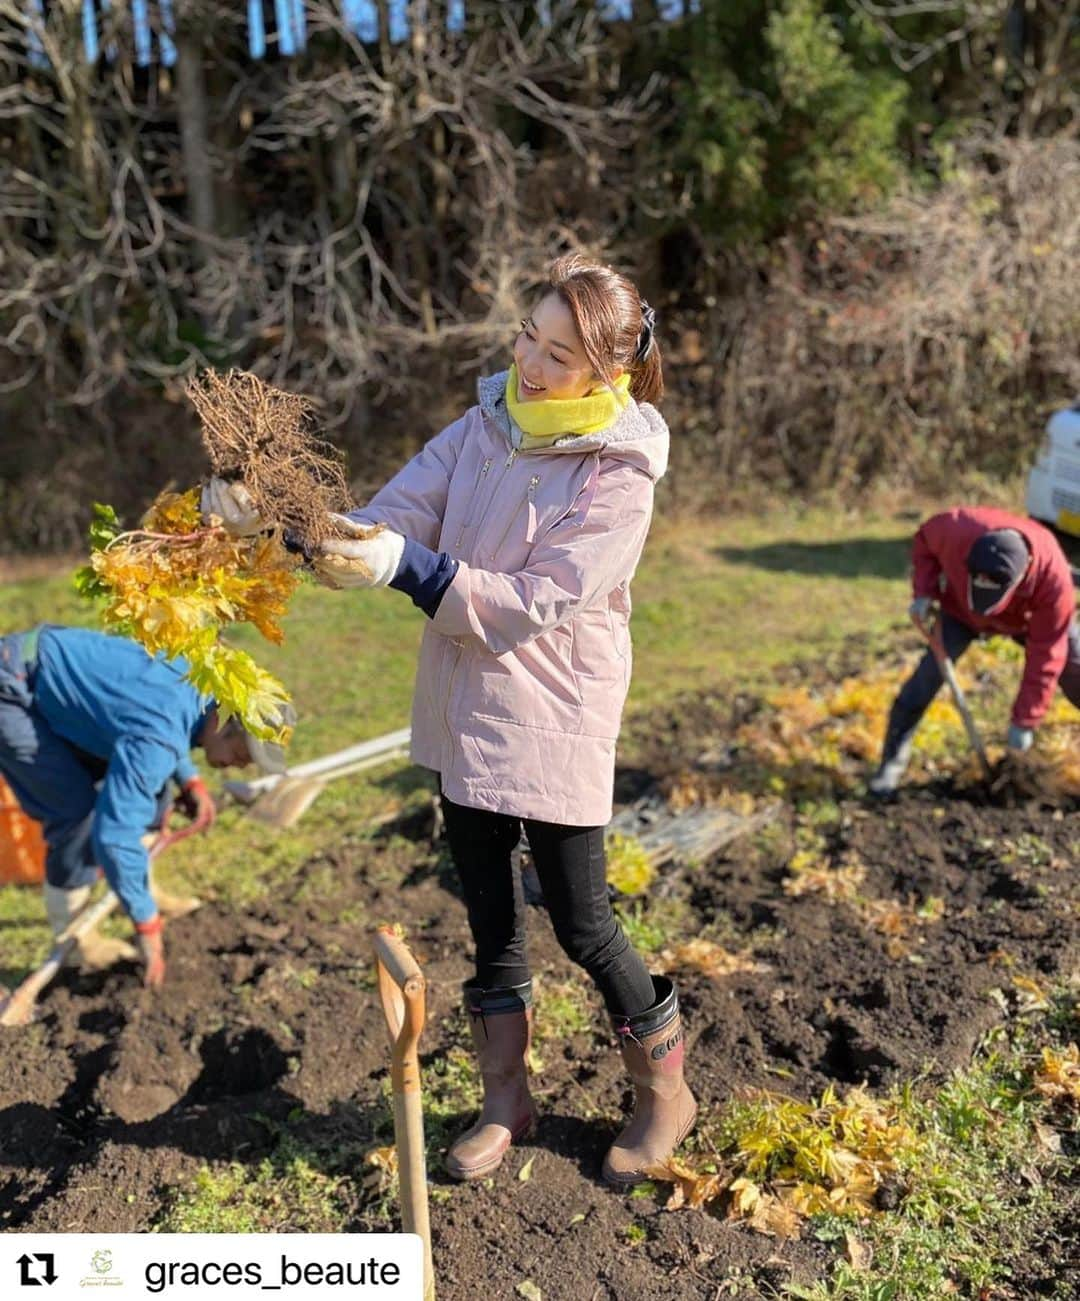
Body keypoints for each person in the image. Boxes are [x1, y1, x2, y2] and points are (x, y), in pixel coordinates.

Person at [290, 253, 696, 1188]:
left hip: (553, 712)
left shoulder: (618, 476)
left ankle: (666, 1092)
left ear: (608, 374)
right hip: (463, 707)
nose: (535, 363)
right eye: (530, 336)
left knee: (583, 920)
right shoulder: (485, 424)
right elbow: (396, 516)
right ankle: (505, 1099)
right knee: (489, 919)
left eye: (560, 353)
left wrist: (408, 567)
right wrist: (300, 530)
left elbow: (530, 601)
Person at [0, 624, 293, 986]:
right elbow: (115, 835)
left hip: (46, 666)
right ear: (224, 719)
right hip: (13, 690)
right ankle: (76, 942)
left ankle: (141, 887)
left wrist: (189, 779)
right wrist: (147, 925)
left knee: (154, 786)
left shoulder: (202, 682)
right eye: (241, 753)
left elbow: (162, 725)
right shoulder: (160, 735)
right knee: (77, 815)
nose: (239, 765)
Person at [869, 506, 1080, 794]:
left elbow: (1046, 654)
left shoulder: (1053, 583)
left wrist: (1024, 722)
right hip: (961, 613)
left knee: (1076, 667)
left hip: (1026, 619)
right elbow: (924, 545)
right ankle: (890, 766)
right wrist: (924, 592)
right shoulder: (954, 529)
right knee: (924, 681)